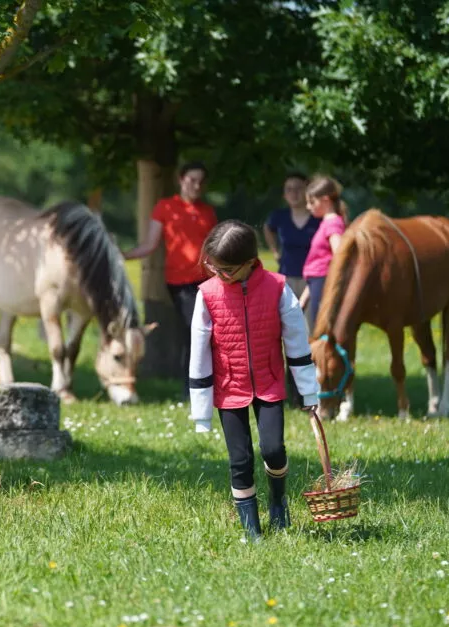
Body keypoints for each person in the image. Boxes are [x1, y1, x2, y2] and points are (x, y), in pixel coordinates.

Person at [189, 221, 319, 542]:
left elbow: (298, 343)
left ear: (250, 262)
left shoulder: (277, 288)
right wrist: (201, 412)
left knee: (273, 450)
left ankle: (278, 501)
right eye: (213, 266)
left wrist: (308, 392)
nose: (217, 273)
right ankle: (252, 530)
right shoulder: (207, 295)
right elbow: (199, 353)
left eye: (226, 269)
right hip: (228, 388)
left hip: (270, 382)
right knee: (241, 460)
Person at [124, 161, 218, 398]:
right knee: (192, 330)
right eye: (191, 180)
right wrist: (122, 255)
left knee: (207, 332)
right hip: (180, 282)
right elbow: (149, 245)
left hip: (208, 282)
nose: (196, 185)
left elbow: (214, 250)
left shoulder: (208, 212)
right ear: (181, 180)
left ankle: (203, 385)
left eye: (200, 181)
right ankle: (190, 388)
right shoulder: (165, 207)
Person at [263, 173, 320, 299]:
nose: (294, 193)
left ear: (308, 191)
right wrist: (274, 250)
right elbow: (268, 228)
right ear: (284, 194)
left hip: (313, 279)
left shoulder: (318, 217)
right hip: (286, 276)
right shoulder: (279, 216)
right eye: (289, 189)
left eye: (299, 188)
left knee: (310, 318)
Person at [300, 175, 347, 327]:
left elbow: (340, 254)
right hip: (317, 282)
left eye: (312, 202)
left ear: (325, 200)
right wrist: (304, 299)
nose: (308, 206)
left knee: (323, 331)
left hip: (323, 282)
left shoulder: (332, 223)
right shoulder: (326, 222)